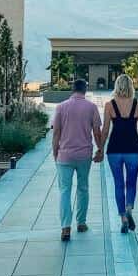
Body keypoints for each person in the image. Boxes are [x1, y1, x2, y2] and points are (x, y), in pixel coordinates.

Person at [52, 78, 103, 241]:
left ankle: (65, 227)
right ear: (85, 90)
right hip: (84, 155)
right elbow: (96, 132)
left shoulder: (61, 107)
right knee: (83, 187)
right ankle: (81, 223)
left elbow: (56, 133)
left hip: (64, 155)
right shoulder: (92, 107)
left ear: (72, 90)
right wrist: (100, 149)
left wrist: (55, 153)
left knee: (64, 190)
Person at [101, 74, 138, 234]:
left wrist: (100, 148)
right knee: (131, 183)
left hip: (114, 149)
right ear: (131, 86)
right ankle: (129, 208)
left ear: (116, 86)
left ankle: (123, 218)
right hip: (133, 149)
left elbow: (106, 130)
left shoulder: (109, 105)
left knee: (118, 184)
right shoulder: (137, 104)